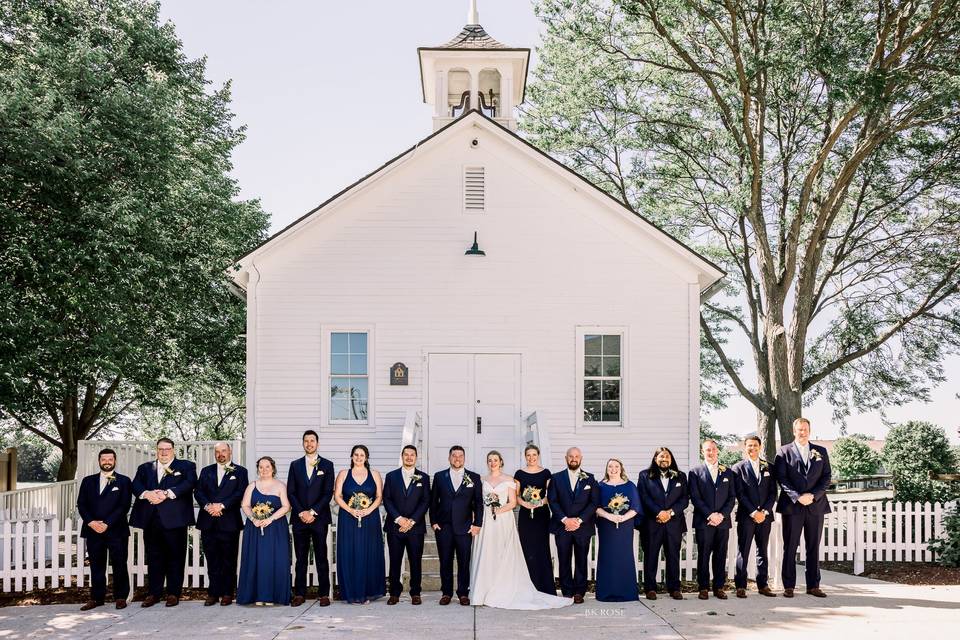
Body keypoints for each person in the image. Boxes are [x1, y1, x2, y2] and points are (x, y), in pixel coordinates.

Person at [469, 451, 572, 610]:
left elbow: (519, 501)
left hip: (520, 517)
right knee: (490, 552)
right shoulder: (485, 479)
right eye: (490, 460)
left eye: (495, 460)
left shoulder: (521, 477)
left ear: (501, 461)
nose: (493, 462)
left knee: (527, 550)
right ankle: (484, 590)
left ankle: (534, 587)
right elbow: (480, 501)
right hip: (493, 520)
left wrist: (537, 503)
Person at [130, 437, 197, 607]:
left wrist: (166, 494)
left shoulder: (186, 466)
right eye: (161, 449)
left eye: (167, 449)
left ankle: (174, 593)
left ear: (173, 450)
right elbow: (136, 485)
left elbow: (189, 484)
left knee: (176, 557)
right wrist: (147, 494)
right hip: (151, 520)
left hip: (175, 521)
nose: (164, 452)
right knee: (153, 557)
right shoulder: (145, 468)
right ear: (156, 450)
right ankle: (154, 593)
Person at [775, 417, 832, 598]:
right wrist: (798, 497)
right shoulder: (783, 452)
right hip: (793, 507)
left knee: (813, 546)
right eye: (799, 429)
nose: (803, 432)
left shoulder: (820, 451)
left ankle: (813, 585)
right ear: (794, 431)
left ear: (809, 430)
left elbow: (826, 477)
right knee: (790, 546)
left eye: (805, 429)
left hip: (816, 506)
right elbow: (782, 479)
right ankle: (789, 586)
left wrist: (813, 496)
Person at [76, 448, 132, 611]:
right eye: (104, 459)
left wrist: (107, 523)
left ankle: (121, 597)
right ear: (99, 461)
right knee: (96, 565)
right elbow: (82, 504)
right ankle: (96, 598)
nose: (107, 462)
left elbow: (124, 506)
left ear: (115, 461)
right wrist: (91, 522)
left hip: (116, 530)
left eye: (110, 459)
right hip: (93, 530)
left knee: (120, 564)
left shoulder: (123, 481)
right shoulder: (88, 481)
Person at [195, 442, 248, 606]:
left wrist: (222, 506)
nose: (220, 454)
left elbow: (240, 492)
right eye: (217, 452)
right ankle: (213, 592)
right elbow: (198, 491)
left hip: (229, 522)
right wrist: (208, 506)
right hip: (208, 520)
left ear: (230, 452)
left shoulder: (240, 471)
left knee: (229, 559)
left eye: (223, 451)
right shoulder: (206, 471)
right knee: (211, 559)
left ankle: (227, 592)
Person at [430, 445, 483, 606]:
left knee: (464, 562)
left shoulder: (474, 477)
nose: (457, 458)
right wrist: (433, 522)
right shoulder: (440, 477)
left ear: (464, 458)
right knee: (445, 561)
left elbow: (478, 503)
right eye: (454, 455)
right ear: (449, 458)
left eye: (460, 456)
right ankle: (446, 593)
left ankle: (463, 593)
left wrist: (477, 524)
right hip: (444, 527)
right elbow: (433, 502)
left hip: (465, 527)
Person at [286, 429, 335, 607]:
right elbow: (291, 491)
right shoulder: (295, 465)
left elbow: (327, 492)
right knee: (300, 558)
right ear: (303, 444)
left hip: (319, 518)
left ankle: (324, 594)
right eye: (306, 441)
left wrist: (313, 512)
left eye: (312, 441)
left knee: (322, 556)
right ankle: (299, 593)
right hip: (299, 519)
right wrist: (301, 512)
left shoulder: (327, 465)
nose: (309, 444)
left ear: (317, 443)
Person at [334, 444, 386, 604]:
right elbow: (337, 496)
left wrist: (368, 510)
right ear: (351, 457)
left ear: (366, 457)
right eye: (355, 454)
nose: (358, 457)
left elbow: (379, 496)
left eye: (361, 455)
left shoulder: (375, 474)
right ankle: (352, 591)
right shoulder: (343, 474)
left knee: (369, 552)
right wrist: (350, 510)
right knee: (350, 552)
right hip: (348, 519)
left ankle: (368, 591)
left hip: (370, 518)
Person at [237, 456, 292, 605]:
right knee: (256, 560)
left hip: (275, 529)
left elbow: (286, 507)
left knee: (275, 560)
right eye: (261, 467)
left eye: (267, 467)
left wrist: (270, 519)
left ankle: (274, 596)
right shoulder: (252, 486)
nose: (264, 470)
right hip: (255, 528)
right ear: (258, 469)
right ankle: (257, 596)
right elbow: (245, 505)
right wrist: (253, 518)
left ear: (273, 468)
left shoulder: (280, 486)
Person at [546, 447, 598, 604]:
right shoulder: (556, 478)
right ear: (566, 458)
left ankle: (579, 592)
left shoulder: (590, 478)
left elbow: (594, 502)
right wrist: (565, 519)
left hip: (583, 527)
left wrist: (578, 521)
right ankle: (567, 591)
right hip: (562, 526)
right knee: (564, 559)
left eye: (576, 456)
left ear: (581, 458)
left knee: (582, 559)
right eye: (570, 456)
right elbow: (552, 501)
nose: (573, 459)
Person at [382, 445, 431, 605]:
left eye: (412, 455)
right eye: (406, 455)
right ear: (402, 456)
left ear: (416, 457)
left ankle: (415, 592)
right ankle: (394, 592)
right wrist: (399, 519)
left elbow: (425, 501)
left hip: (415, 527)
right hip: (394, 526)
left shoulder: (423, 477)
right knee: (395, 560)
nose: (409, 457)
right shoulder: (391, 476)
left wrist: (411, 521)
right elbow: (387, 499)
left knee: (415, 561)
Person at [637, 446, 687, 600]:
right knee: (651, 555)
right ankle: (650, 588)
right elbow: (643, 497)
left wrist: (670, 513)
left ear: (671, 459)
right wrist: (658, 512)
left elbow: (684, 499)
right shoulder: (645, 475)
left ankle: (674, 588)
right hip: (652, 523)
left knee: (673, 555)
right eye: (661, 456)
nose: (664, 459)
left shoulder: (680, 476)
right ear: (655, 458)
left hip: (674, 524)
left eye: (667, 457)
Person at [689, 439, 736, 600]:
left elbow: (731, 497)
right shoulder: (695, 472)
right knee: (703, 555)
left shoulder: (728, 472)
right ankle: (703, 587)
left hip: (723, 522)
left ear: (717, 451)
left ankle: (718, 587)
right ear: (703, 452)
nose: (711, 452)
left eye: (713, 449)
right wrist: (710, 515)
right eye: (707, 450)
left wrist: (721, 515)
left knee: (720, 555)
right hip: (704, 521)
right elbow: (695, 497)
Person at [731, 435, 778, 598]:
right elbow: (739, 494)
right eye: (749, 446)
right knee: (743, 551)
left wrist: (764, 512)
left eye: (755, 445)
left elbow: (773, 493)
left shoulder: (769, 467)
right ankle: (740, 586)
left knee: (762, 550)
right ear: (745, 447)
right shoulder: (738, 468)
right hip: (746, 516)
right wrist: (753, 512)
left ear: (760, 447)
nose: (752, 448)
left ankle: (763, 585)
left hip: (765, 517)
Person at [595, 458, 641, 602]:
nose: (613, 469)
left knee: (624, 556)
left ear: (621, 468)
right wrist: (609, 516)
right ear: (606, 468)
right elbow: (595, 507)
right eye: (610, 466)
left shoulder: (630, 486)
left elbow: (636, 507)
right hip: (606, 526)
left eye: (616, 466)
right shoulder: (600, 486)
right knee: (607, 556)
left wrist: (622, 518)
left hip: (625, 526)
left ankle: (626, 592)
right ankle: (606, 592)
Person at [514, 444, 555, 594]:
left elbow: (549, 495)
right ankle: (527, 586)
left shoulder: (546, 473)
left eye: (534, 455)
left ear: (538, 456)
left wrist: (538, 503)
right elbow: (516, 495)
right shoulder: (519, 473)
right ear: (525, 457)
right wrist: (525, 503)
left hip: (541, 515)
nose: (531, 458)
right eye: (528, 455)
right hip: (526, 515)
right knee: (527, 548)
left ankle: (544, 587)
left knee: (542, 548)